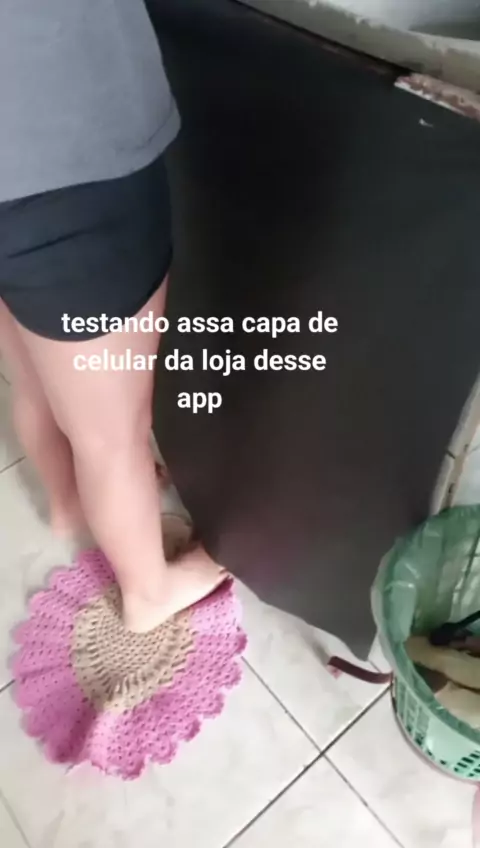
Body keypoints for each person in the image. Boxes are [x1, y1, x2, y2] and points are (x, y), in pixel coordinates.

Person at [0, 1, 226, 632]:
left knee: (36, 378)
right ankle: (149, 594)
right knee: (112, 433)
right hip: (63, 152)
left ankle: (68, 508)